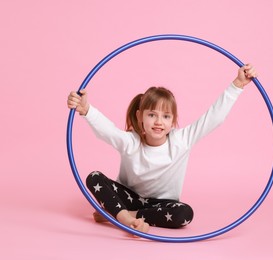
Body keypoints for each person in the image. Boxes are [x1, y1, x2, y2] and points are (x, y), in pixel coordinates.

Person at [67, 64, 257, 236]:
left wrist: (237, 84)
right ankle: (124, 218)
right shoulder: (131, 142)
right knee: (94, 177)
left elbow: (213, 118)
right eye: (152, 115)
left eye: (166, 116)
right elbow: (107, 131)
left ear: (173, 120)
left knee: (185, 213)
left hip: (161, 205)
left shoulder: (181, 140)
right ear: (140, 116)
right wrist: (86, 110)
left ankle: (116, 215)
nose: (159, 122)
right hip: (127, 198)